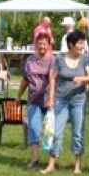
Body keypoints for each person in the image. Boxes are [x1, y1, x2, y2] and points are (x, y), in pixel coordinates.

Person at [42, 30, 89, 174]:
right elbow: (53, 78)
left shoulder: (84, 59)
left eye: (83, 43)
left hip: (79, 100)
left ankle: (77, 164)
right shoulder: (59, 59)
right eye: (80, 43)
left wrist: (82, 79)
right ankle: (51, 164)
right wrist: (51, 98)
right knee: (56, 131)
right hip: (61, 99)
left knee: (78, 132)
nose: (82, 46)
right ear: (71, 44)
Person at [17, 31, 54, 168]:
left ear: (48, 45)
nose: (41, 46)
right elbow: (25, 80)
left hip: (48, 100)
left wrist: (51, 98)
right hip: (33, 100)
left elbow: (53, 80)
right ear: (35, 45)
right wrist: (18, 95)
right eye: (39, 44)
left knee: (49, 129)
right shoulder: (30, 60)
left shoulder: (52, 60)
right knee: (33, 127)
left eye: (44, 44)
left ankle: (51, 159)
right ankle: (35, 158)